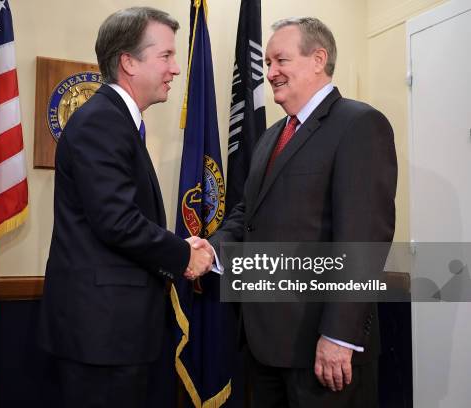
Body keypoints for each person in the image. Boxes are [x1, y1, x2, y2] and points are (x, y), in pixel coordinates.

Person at [208, 17, 397, 407]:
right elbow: (248, 215)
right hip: (264, 348)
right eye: (269, 63)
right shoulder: (270, 137)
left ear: (318, 59)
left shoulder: (359, 124)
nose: (271, 73)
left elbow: (363, 237)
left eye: (280, 61)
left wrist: (339, 336)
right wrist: (210, 251)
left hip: (323, 350)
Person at [38, 7, 213, 407]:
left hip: (113, 331)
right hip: (102, 335)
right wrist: (183, 253)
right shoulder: (102, 121)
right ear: (128, 62)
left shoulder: (115, 121)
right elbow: (116, 221)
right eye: (166, 56)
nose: (175, 68)